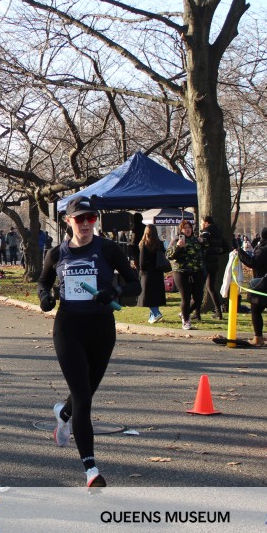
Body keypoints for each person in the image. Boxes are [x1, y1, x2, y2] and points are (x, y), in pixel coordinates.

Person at [37, 197, 140, 489]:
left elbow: (135, 284)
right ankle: (91, 470)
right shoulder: (56, 253)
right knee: (83, 399)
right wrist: (45, 298)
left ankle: (64, 413)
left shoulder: (108, 249)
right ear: (68, 221)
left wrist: (115, 292)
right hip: (68, 328)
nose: (85, 224)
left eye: (90, 218)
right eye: (79, 218)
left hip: (101, 329)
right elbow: (43, 282)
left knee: (85, 392)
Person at [166, 219, 204, 330]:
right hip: (181, 271)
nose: (187, 230)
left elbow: (205, 250)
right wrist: (178, 247)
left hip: (196, 271)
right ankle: (186, 321)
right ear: (181, 230)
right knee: (185, 297)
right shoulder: (176, 240)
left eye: (189, 228)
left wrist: (203, 242)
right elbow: (168, 255)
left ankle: (184, 313)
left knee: (198, 297)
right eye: (185, 228)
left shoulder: (195, 240)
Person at [137, 225, 167, 323]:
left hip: (148, 273)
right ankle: (152, 317)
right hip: (158, 271)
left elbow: (142, 261)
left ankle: (156, 313)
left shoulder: (144, 244)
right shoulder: (160, 243)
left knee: (147, 296)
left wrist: (141, 270)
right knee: (155, 295)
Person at [198, 215, 226, 320]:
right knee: (211, 288)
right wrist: (217, 253)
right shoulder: (218, 233)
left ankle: (196, 312)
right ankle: (218, 312)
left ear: (206, 222)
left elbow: (201, 246)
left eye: (202, 222)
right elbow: (226, 247)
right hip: (215, 263)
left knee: (199, 288)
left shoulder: (206, 233)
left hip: (205, 263)